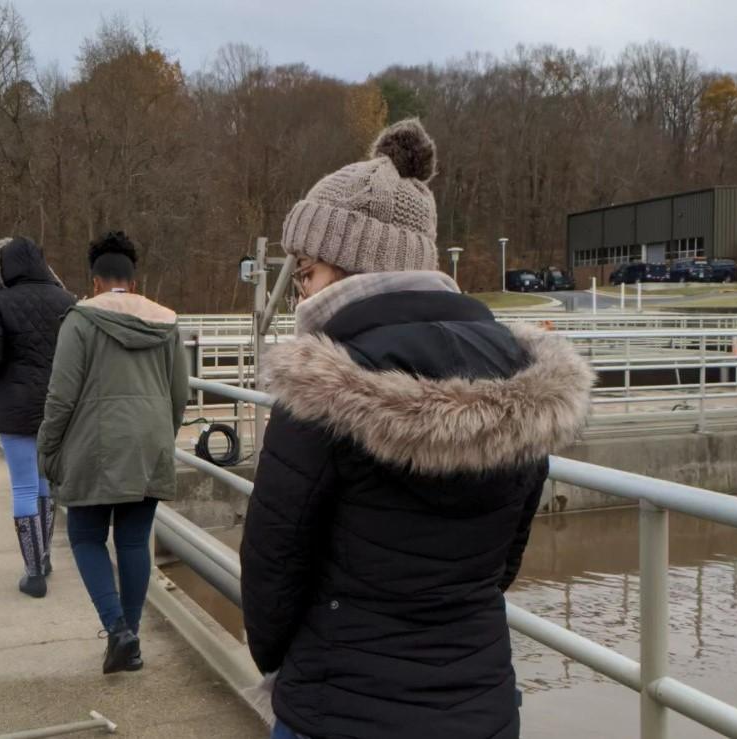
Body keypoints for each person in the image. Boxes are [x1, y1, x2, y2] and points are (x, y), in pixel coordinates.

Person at [240, 119, 595, 739]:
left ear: (350, 266)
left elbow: (272, 572)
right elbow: (504, 560)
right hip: (481, 704)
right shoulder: (520, 374)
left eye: (307, 273)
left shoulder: (320, 383)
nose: (301, 293)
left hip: (339, 707)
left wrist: (290, 665)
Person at [37, 231, 189, 674]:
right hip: (149, 446)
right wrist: (161, 437)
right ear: (133, 282)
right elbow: (179, 393)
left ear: (95, 281)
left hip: (92, 449)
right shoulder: (166, 322)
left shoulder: (80, 320)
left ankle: (117, 630)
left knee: (86, 538)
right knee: (133, 541)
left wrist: (49, 448)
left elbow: (61, 396)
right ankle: (132, 638)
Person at [0, 237, 75, 598]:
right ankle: (45, 557)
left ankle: (33, 573)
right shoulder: (67, 300)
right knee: (46, 483)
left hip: (14, 406)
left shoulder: (2, 302)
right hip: (57, 407)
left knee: (23, 486)